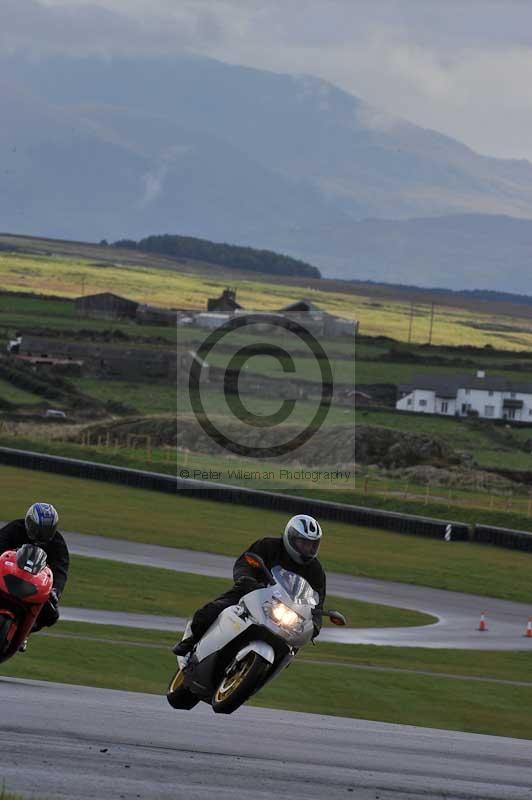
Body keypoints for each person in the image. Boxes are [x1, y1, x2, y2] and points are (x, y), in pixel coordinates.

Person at [172, 514, 326, 656]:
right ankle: (191, 642)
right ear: (291, 538)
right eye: (304, 543)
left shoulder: (315, 570)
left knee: (291, 650)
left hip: (287, 613)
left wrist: (315, 625)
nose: (308, 549)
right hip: (252, 593)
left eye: (313, 545)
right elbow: (245, 562)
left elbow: (317, 603)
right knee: (213, 610)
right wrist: (246, 579)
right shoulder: (268, 546)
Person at [0, 503, 69, 645]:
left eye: (46, 531)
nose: (40, 535)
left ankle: (26, 632)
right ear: (29, 522)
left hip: (34, 585)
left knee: (51, 614)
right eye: (36, 529)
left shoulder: (57, 542)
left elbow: (60, 568)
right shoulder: (15, 528)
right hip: (9, 575)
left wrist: (56, 590)